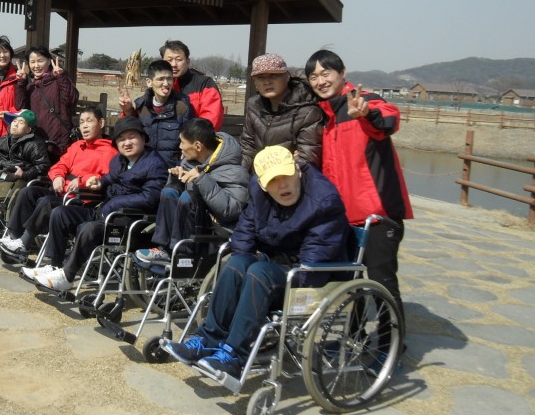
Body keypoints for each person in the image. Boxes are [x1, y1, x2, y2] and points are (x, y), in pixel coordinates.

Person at [165, 145, 352, 378]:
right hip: (277, 262)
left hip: (312, 276)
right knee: (236, 264)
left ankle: (234, 355)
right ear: (262, 184)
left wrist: (261, 269)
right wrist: (245, 262)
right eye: (273, 180)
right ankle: (208, 339)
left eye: (286, 176)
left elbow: (313, 266)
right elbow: (245, 231)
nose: (282, 185)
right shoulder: (259, 192)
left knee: (259, 272)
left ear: (297, 170)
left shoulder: (323, 200)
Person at [304, 49, 412, 322]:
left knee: (381, 282)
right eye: (313, 77)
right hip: (342, 217)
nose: (320, 81)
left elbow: (389, 119)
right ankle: (354, 337)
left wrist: (367, 114)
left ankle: (391, 342)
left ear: (342, 73)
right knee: (348, 283)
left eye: (326, 73)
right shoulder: (325, 116)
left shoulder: (364, 102)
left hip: (377, 216)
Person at [32, 116, 166, 291]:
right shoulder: (119, 160)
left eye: (131, 137)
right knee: (61, 213)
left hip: (128, 221)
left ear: (143, 138)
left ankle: (67, 276)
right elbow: (110, 178)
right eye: (121, 139)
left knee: (90, 229)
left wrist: (115, 204)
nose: (127, 143)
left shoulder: (154, 164)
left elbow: (150, 198)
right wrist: (99, 182)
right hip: (106, 212)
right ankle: (54, 265)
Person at [0, 107, 117, 259]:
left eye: (89, 121)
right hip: (62, 190)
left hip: (81, 198)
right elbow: (60, 165)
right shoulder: (77, 146)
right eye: (81, 122)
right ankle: (13, 237)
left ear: (101, 123)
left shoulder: (110, 152)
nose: (84, 126)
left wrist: (82, 181)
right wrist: (57, 176)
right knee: (28, 192)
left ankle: (24, 243)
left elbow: (107, 178)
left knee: (47, 202)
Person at [134, 118, 250, 264]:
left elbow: (230, 210)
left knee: (188, 198)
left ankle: (182, 254)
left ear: (198, 146)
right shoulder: (190, 162)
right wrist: (176, 179)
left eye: (182, 142)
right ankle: (165, 249)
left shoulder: (235, 171)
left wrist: (202, 179)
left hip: (213, 233)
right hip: (189, 227)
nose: (180, 147)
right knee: (169, 192)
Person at [239, 53, 323, 172]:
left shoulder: (308, 112)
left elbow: (307, 159)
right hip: (258, 176)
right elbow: (247, 147)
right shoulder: (254, 106)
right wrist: (240, 174)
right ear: (255, 82)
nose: (267, 82)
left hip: (290, 177)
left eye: (273, 75)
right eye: (260, 77)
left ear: (287, 76)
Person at [118, 59, 195, 167]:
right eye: (160, 79)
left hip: (171, 169)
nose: (166, 83)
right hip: (144, 167)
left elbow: (191, 139)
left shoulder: (182, 108)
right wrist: (128, 110)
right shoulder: (142, 106)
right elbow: (131, 131)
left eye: (169, 78)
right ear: (149, 82)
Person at [15, 46, 79, 158]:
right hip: (37, 142)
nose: (36, 66)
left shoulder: (58, 80)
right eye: (32, 62)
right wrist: (21, 83)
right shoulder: (31, 86)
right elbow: (20, 106)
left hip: (58, 142)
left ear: (49, 61)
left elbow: (71, 99)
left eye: (40, 61)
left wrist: (61, 77)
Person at [160, 39, 224, 130]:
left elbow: (211, 121)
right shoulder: (158, 85)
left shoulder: (204, 84)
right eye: (169, 60)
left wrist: (187, 137)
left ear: (188, 61)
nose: (174, 64)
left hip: (195, 137)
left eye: (179, 59)